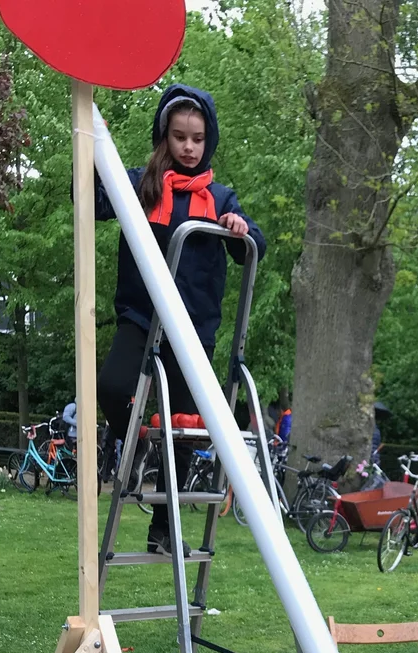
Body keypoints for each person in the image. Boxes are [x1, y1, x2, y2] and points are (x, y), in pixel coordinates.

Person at [95, 84, 265, 555]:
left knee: (185, 425)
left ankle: (164, 530)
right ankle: (134, 447)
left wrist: (240, 228)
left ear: (208, 140)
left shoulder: (220, 197)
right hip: (142, 317)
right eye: (178, 137)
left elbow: (254, 246)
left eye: (196, 138)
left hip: (191, 329)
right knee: (112, 387)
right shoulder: (139, 186)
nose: (188, 147)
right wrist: (90, 155)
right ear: (163, 137)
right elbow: (89, 199)